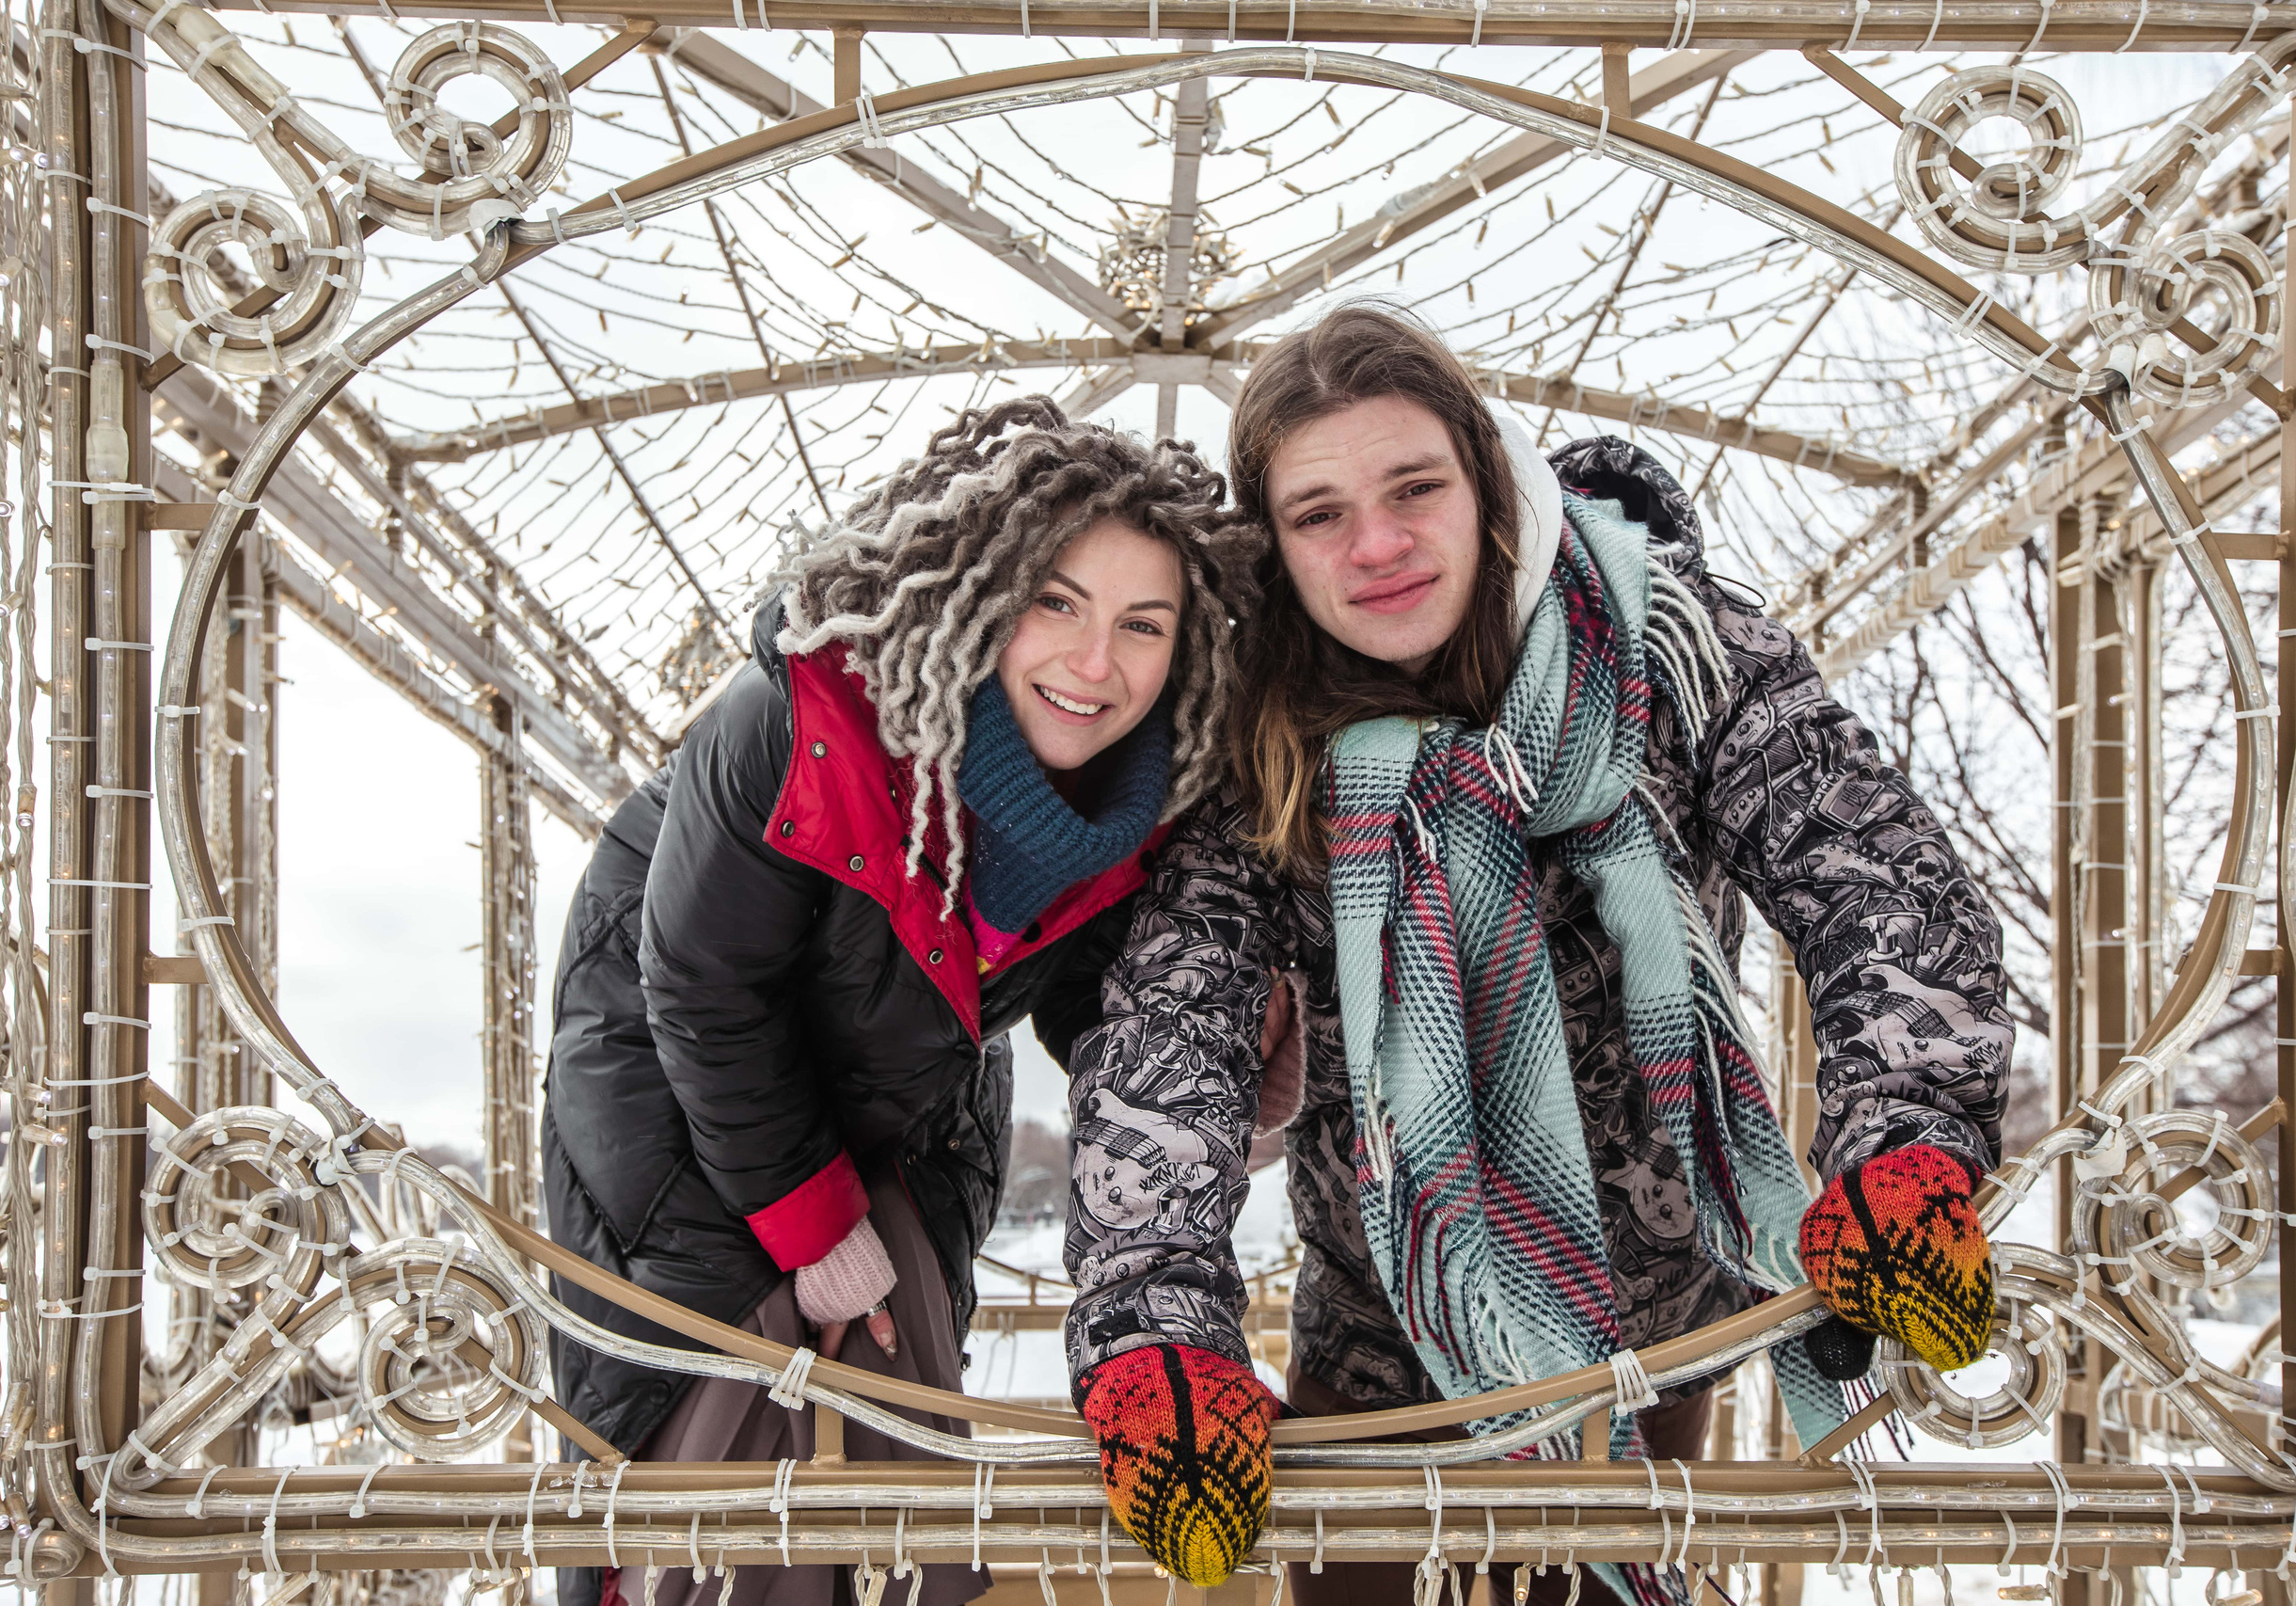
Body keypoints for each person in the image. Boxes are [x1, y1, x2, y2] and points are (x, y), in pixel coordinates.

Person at [1060, 306, 2012, 1601]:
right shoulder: (1256, 735)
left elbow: (1868, 872)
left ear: (1489, 479)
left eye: (1414, 487)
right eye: (1321, 512)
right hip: (1388, 1334)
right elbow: (1175, 1028)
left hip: (1658, 1326)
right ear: (1275, 546)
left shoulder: (1672, 648)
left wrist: (1906, 1129)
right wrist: (1155, 1317)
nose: (1379, 543)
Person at [539, 397, 1261, 1606]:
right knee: (709, 1436)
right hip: (676, 1094)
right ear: (977, 595)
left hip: (903, 1094)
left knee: (900, 1447)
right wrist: (814, 1229)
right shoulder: (799, 723)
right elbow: (703, 989)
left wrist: (1229, 1066)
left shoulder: (1131, 810)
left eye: (1144, 625)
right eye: (1056, 604)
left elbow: (1089, 1008)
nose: (1096, 665)